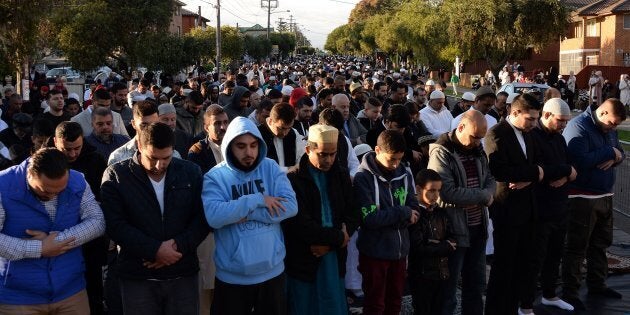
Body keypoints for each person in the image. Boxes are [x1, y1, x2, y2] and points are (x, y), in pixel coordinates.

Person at [100, 122, 210, 315]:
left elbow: (202, 218)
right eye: (153, 158)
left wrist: (175, 247)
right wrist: (154, 250)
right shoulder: (116, 176)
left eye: (166, 158)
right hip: (138, 276)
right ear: (139, 147)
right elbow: (115, 225)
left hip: (182, 272)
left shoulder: (190, 172)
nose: (159, 165)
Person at [202, 116, 298, 315]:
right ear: (229, 146)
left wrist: (240, 213)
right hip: (232, 277)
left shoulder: (270, 168)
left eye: (254, 145)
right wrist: (258, 200)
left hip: (273, 272)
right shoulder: (215, 177)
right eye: (241, 146)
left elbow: (290, 207)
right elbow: (214, 217)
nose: (249, 152)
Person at [0, 147, 105, 314]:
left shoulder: (77, 181)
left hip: (71, 291)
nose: (53, 196)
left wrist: (56, 242)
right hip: (17, 297)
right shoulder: (3, 185)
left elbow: (98, 222)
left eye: (60, 191)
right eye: (45, 191)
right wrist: (40, 249)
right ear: (29, 174)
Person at [283, 124, 360, 315]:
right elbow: (299, 224)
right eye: (323, 155)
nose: (329, 160)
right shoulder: (293, 179)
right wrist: (338, 238)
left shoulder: (341, 174)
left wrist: (334, 243)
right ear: (308, 150)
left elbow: (354, 213)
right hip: (306, 257)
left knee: (332, 304)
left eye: (333, 154)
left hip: (333, 256)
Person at [427, 110, 495, 315]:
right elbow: (446, 192)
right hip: (453, 232)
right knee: (448, 290)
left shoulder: (478, 149)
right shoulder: (442, 152)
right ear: (461, 127)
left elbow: (491, 178)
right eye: (475, 137)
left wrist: (487, 192)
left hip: (477, 228)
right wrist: (483, 196)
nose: (477, 143)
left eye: (481, 139)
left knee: (475, 286)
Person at [561, 98, 626, 310]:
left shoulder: (608, 129)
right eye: (613, 123)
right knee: (577, 247)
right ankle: (570, 292)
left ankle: (597, 283)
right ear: (603, 113)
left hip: (605, 194)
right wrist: (610, 153)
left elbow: (619, 152)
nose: (613, 128)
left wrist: (617, 156)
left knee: (600, 244)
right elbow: (578, 160)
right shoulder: (578, 126)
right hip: (582, 197)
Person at [484, 93, 544, 315]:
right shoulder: (496, 134)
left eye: (536, 119)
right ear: (515, 112)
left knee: (522, 267)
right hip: (507, 211)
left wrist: (530, 175)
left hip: (528, 210)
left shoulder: (530, 133)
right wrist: (534, 173)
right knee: (503, 269)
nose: (534, 123)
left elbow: (539, 163)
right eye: (530, 119)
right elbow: (499, 170)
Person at [354, 130, 420, 315]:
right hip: (374, 253)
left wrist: (401, 215)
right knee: (375, 304)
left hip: (399, 252)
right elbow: (370, 219)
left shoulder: (404, 174)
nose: (395, 164)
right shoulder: (363, 178)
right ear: (377, 150)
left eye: (399, 159)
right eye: (391, 159)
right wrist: (403, 213)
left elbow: (415, 209)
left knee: (395, 301)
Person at [519, 98, 575, 314]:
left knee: (555, 255)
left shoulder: (559, 139)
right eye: (561, 121)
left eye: (566, 122)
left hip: (560, 207)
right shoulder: (532, 137)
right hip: (540, 209)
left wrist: (566, 173)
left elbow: (570, 165)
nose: (564, 126)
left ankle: (550, 295)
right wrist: (565, 171)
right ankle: (525, 305)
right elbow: (539, 169)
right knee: (534, 259)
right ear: (547, 115)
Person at [52, 121, 109, 315]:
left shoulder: (95, 160)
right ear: (55, 142)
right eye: (66, 149)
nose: (72, 154)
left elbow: (104, 197)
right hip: (56, 239)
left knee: (93, 290)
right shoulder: (44, 162)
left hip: (90, 239)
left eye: (77, 148)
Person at [408, 169, 456, 315]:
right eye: (431, 191)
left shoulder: (441, 212)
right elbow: (417, 247)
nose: (436, 196)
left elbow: (452, 238)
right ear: (418, 189)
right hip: (422, 275)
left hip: (441, 273)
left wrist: (437, 244)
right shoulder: (414, 214)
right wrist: (443, 246)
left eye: (438, 191)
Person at [108, 100, 181, 166]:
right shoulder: (118, 157)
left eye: (153, 124)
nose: (149, 128)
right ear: (133, 124)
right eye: (144, 125)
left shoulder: (173, 156)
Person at [258, 102, 306, 173]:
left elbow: (301, 157)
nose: (285, 133)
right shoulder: (258, 135)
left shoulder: (294, 133)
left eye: (289, 128)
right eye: (281, 128)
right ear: (271, 121)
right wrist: (287, 170)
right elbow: (260, 165)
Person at [188, 104, 229, 174]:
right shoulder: (197, 151)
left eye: (225, 122)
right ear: (206, 127)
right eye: (217, 123)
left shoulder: (235, 147)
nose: (223, 127)